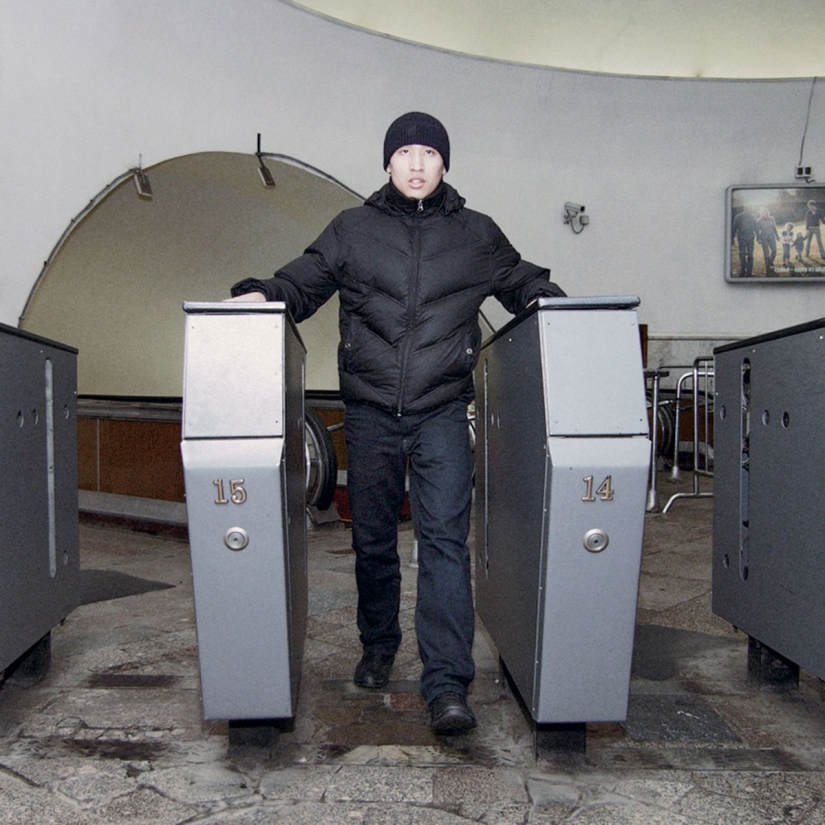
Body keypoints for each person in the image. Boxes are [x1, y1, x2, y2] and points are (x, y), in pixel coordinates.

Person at [226, 112, 564, 735]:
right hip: (370, 410)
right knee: (373, 541)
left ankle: (446, 684)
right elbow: (305, 279)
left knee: (442, 543)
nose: (415, 164)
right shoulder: (353, 229)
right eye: (404, 152)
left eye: (428, 153)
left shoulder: (476, 234)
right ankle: (378, 645)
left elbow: (521, 283)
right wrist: (263, 294)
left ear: (444, 164)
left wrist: (558, 301)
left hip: (440, 409)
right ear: (387, 163)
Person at [731, 205, 758, 277]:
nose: (750, 210)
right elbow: (734, 228)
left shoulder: (752, 217)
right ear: (745, 209)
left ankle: (748, 272)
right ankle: (744, 270)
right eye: (749, 208)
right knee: (744, 254)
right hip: (742, 238)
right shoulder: (739, 217)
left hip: (749, 237)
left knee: (749, 255)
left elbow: (756, 228)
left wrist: (758, 237)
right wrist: (732, 238)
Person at [756, 207, 779, 275]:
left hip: (772, 236)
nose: (763, 214)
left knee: (774, 250)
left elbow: (774, 227)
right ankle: (767, 267)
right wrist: (758, 238)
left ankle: (770, 261)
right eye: (761, 213)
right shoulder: (759, 220)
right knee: (766, 252)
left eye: (764, 212)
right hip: (764, 238)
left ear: (767, 212)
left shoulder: (771, 218)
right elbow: (757, 231)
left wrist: (777, 236)